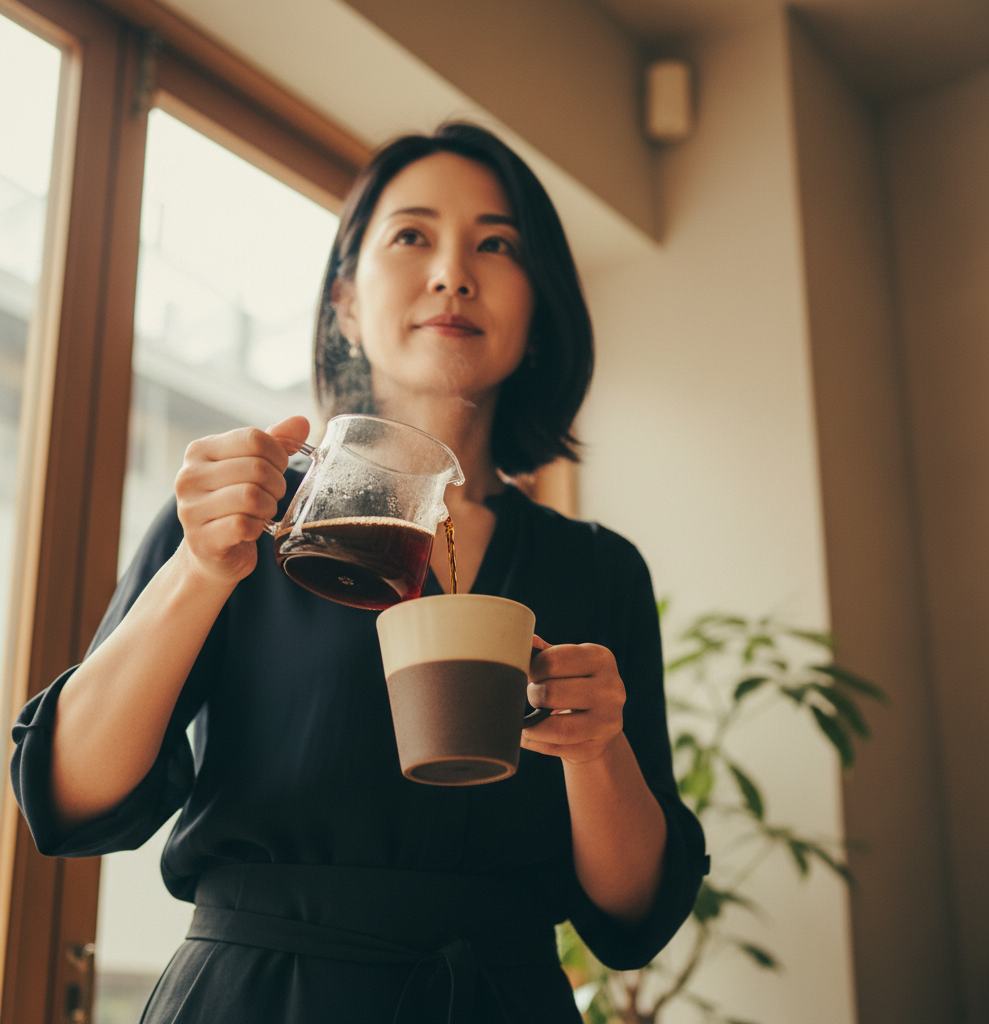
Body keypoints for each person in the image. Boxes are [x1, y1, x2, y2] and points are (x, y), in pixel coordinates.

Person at [11, 123, 708, 1022]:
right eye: (412, 235)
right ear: (344, 300)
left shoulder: (598, 569)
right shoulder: (246, 516)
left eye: (497, 245)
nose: (453, 271)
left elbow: (632, 914)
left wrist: (597, 747)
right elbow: (68, 798)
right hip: (256, 997)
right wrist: (199, 568)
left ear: (539, 314)